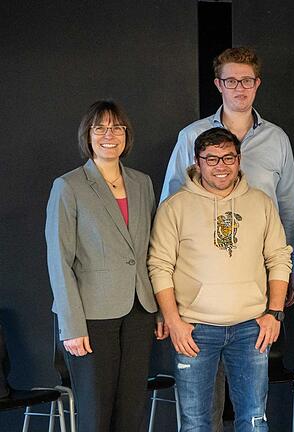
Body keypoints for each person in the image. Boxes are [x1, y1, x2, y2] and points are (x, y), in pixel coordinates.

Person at [159, 47, 294, 430]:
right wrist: (167, 310)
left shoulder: (277, 140)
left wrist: (286, 286)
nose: (240, 88)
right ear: (218, 84)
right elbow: (170, 211)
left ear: (257, 84)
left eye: (247, 80)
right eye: (232, 80)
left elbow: (289, 213)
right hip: (197, 307)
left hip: (254, 301)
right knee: (200, 414)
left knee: (252, 411)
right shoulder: (191, 136)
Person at [148, 127, 292, 431]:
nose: (220, 166)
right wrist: (173, 321)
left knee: (254, 419)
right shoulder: (174, 207)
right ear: (197, 163)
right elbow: (159, 265)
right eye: (211, 159)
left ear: (239, 160)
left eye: (228, 157)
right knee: (197, 423)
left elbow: (279, 258)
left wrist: (275, 313)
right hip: (195, 330)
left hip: (251, 328)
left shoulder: (261, 203)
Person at [45, 100, 159, 432]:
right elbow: (59, 259)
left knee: (132, 411)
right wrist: (71, 325)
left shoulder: (142, 183)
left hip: (140, 311)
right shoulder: (68, 186)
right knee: (96, 416)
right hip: (92, 318)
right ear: (88, 135)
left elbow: (151, 249)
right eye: (101, 128)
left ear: (127, 135)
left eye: (117, 128)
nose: (110, 135)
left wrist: (162, 310)